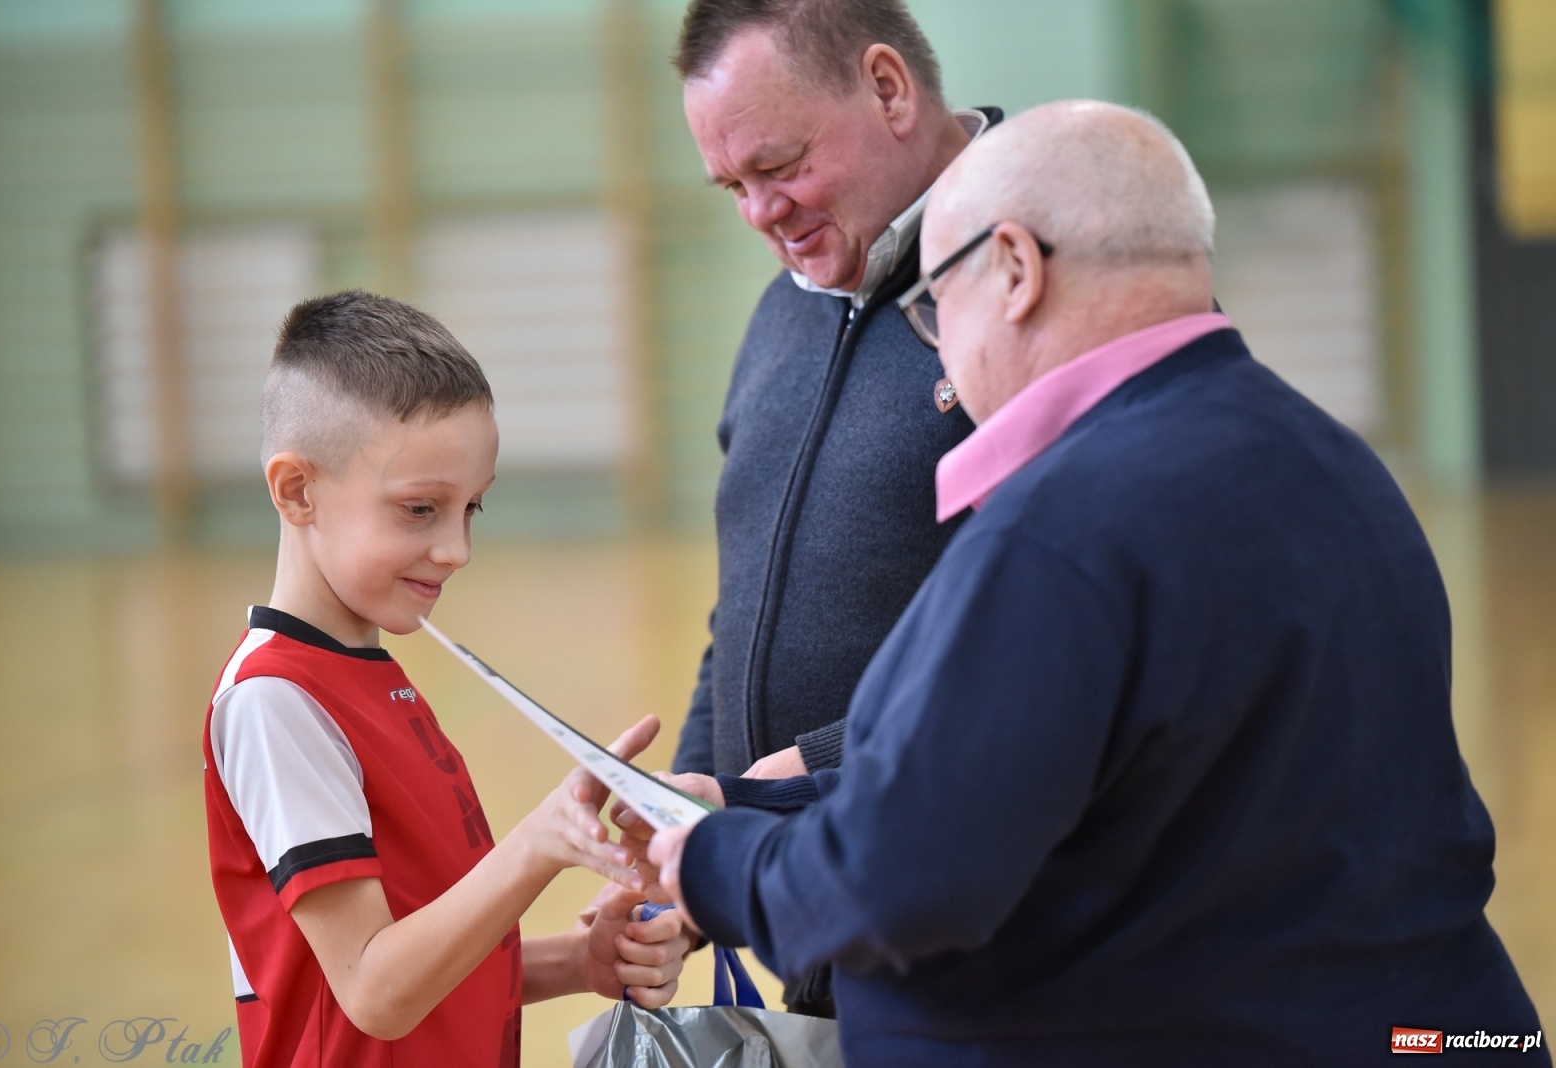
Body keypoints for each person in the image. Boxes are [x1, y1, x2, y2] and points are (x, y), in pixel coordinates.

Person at [628, 103, 1549, 1064]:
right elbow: (1073, 789)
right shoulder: (1334, 467)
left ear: (1017, 271)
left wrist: (713, 862)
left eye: (935, 303)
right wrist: (747, 806)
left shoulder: (1064, 523)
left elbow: (904, 883)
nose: (940, 344)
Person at [202, 292, 691, 1067]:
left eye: (473, 508)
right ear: (297, 491)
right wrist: (536, 845)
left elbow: (423, 954)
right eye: (421, 509)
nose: (457, 548)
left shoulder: (365, 674)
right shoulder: (276, 702)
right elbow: (373, 989)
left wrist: (579, 961)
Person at [670, 1, 992, 1009]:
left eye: (779, 166)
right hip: (808, 922)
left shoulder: (1031, 287)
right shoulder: (781, 316)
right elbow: (739, 623)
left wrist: (805, 769)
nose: (759, 213)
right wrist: (680, 827)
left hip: (974, 955)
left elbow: (1063, 644)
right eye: (732, 186)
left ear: (889, 89)